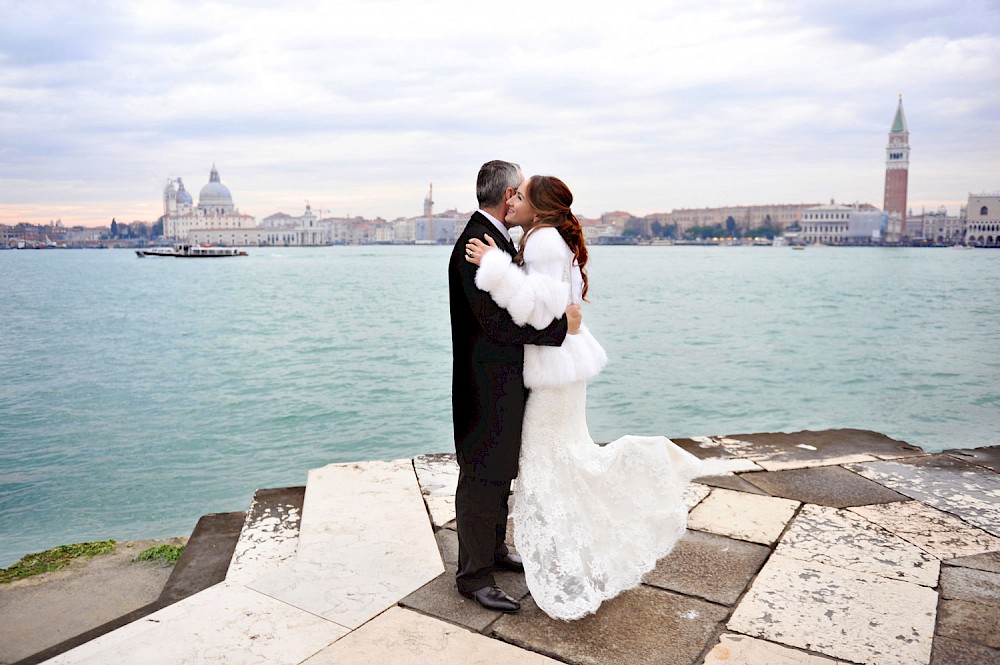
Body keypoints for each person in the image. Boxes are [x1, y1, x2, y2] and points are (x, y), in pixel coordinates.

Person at [465, 175, 727, 620]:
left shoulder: (545, 240)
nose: (514, 202)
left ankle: (647, 464)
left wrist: (495, 267)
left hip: (553, 373)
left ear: (541, 209)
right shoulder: (541, 237)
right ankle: (569, 548)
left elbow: (535, 308)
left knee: (554, 461)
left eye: (522, 197)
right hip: (562, 367)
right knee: (564, 457)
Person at [448, 161, 582, 613]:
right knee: (482, 476)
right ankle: (473, 577)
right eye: (518, 193)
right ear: (507, 196)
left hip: (503, 380)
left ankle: (492, 553)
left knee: (498, 471)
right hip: (485, 384)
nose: (520, 199)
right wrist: (559, 329)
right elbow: (496, 325)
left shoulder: (496, 239)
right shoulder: (476, 242)